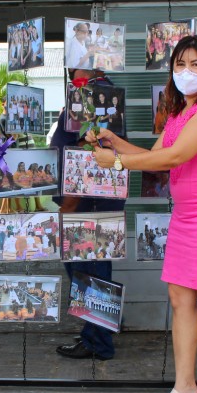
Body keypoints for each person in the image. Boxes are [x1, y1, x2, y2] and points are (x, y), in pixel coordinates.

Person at [89, 35, 197, 393]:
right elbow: (155, 158)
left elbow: (178, 156)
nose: (186, 72)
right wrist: (114, 142)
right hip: (187, 216)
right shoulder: (178, 113)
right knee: (180, 299)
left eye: (195, 64)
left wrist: (118, 162)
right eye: (179, 65)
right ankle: (186, 387)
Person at [51, 67, 126, 362]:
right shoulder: (95, 94)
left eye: (78, 61)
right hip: (88, 204)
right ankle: (95, 333)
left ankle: (98, 342)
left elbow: (86, 154)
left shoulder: (94, 94)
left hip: (86, 205)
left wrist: (68, 205)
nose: (71, 67)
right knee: (90, 271)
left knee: (90, 273)